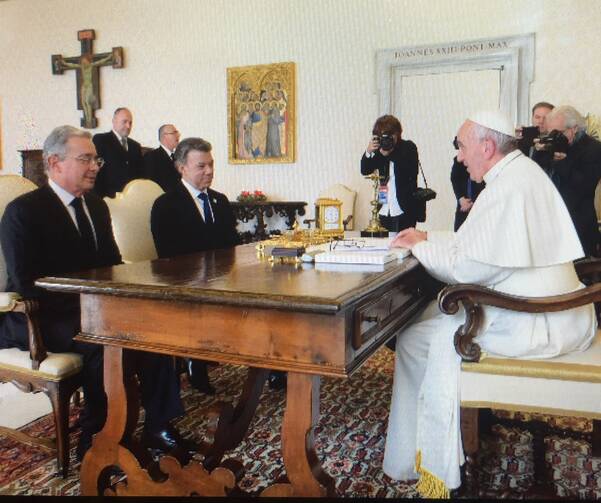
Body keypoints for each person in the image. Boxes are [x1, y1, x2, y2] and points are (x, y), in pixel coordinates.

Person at [383, 111, 596, 497]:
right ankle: (446, 439)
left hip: (539, 322)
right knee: (430, 319)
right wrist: (428, 235)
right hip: (553, 308)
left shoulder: (507, 186)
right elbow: (478, 243)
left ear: (487, 145)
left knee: (415, 338)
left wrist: (421, 246)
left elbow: (468, 267)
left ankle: (424, 459)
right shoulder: (517, 174)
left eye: (463, 147)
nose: (460, 157)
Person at [0, 126, 194, 461]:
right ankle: (98, 442)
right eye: (85, 158)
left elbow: (112, 266)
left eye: (95, 158)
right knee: (106, 343)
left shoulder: (95, 206)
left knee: (156, 330)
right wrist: (94, 306)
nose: (95, 166)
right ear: (55, 163)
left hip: (92, 309)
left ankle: (159, 428)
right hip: (40, 315)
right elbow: (26, 282)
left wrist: (130, 297)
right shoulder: (23, 212)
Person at [151, 137, 240, 395]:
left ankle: (272, 370)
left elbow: (232, 246)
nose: (210, 171)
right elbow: (169, 258)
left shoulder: (220, 201)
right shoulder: (165, 205)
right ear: (182, 168)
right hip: (186, 286)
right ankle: (194, 360)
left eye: (211, 164)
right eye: (201, 166)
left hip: (221, 281)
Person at [539, 105, 601, 256]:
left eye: (559, 133)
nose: (555, 137)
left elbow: (585, 185)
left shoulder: (593, 148)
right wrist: (540, 152)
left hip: (578, 224)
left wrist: (561, 163)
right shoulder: (552, 144)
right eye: (551, 132)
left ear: (573, 129)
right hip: (549, 223)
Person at [360, 115, 419, 232]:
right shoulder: (380, 150)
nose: (387, 139)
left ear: (397, 133)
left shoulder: (408, 147)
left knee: (404, 245)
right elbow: (365, 170)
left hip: (404, 208)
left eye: (390, 134)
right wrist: (368, 151)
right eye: (383, 135)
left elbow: (410, 170)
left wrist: (388, 153)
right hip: (383, 207)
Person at [92, 107, 144, 198]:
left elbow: (139, 176)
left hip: (132, 200)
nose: (128, 126)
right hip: (108, 198)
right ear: (114, 121)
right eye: (124, 122)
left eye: (130, 123)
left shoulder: (135, 146)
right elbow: (97, 172)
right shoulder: (101, 140)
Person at [144, 124, 181, 192]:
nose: (178, 135)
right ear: (165, 136)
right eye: (174, 133)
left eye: (177, 132)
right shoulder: (152, 157)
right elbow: (150, 185)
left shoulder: (178, 157)